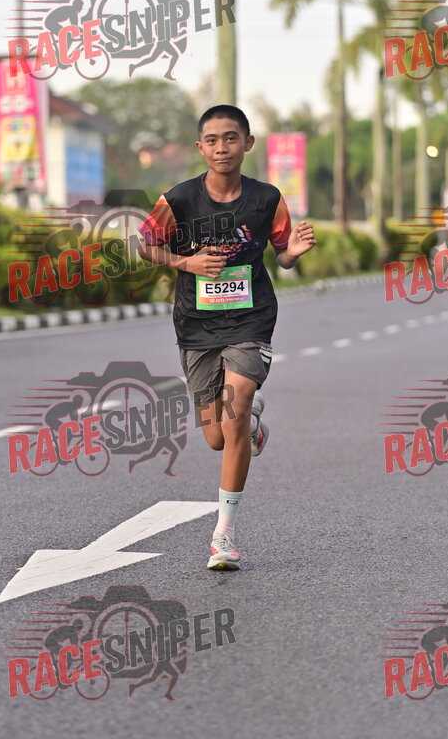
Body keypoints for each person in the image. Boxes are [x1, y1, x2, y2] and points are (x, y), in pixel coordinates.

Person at [137, 104, 316, 570]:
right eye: (213, 140)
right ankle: (252, 425)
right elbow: (146, 245)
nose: (222, 148)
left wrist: (292, 253)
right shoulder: (178, 200)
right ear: (201, 147)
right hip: (196, 325)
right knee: (217, 437)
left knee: (231, 419)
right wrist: (187, 262)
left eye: (231, 138)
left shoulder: (266, 198)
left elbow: (283, 254)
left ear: (248, 143)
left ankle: (224, 535)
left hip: (251, 320)